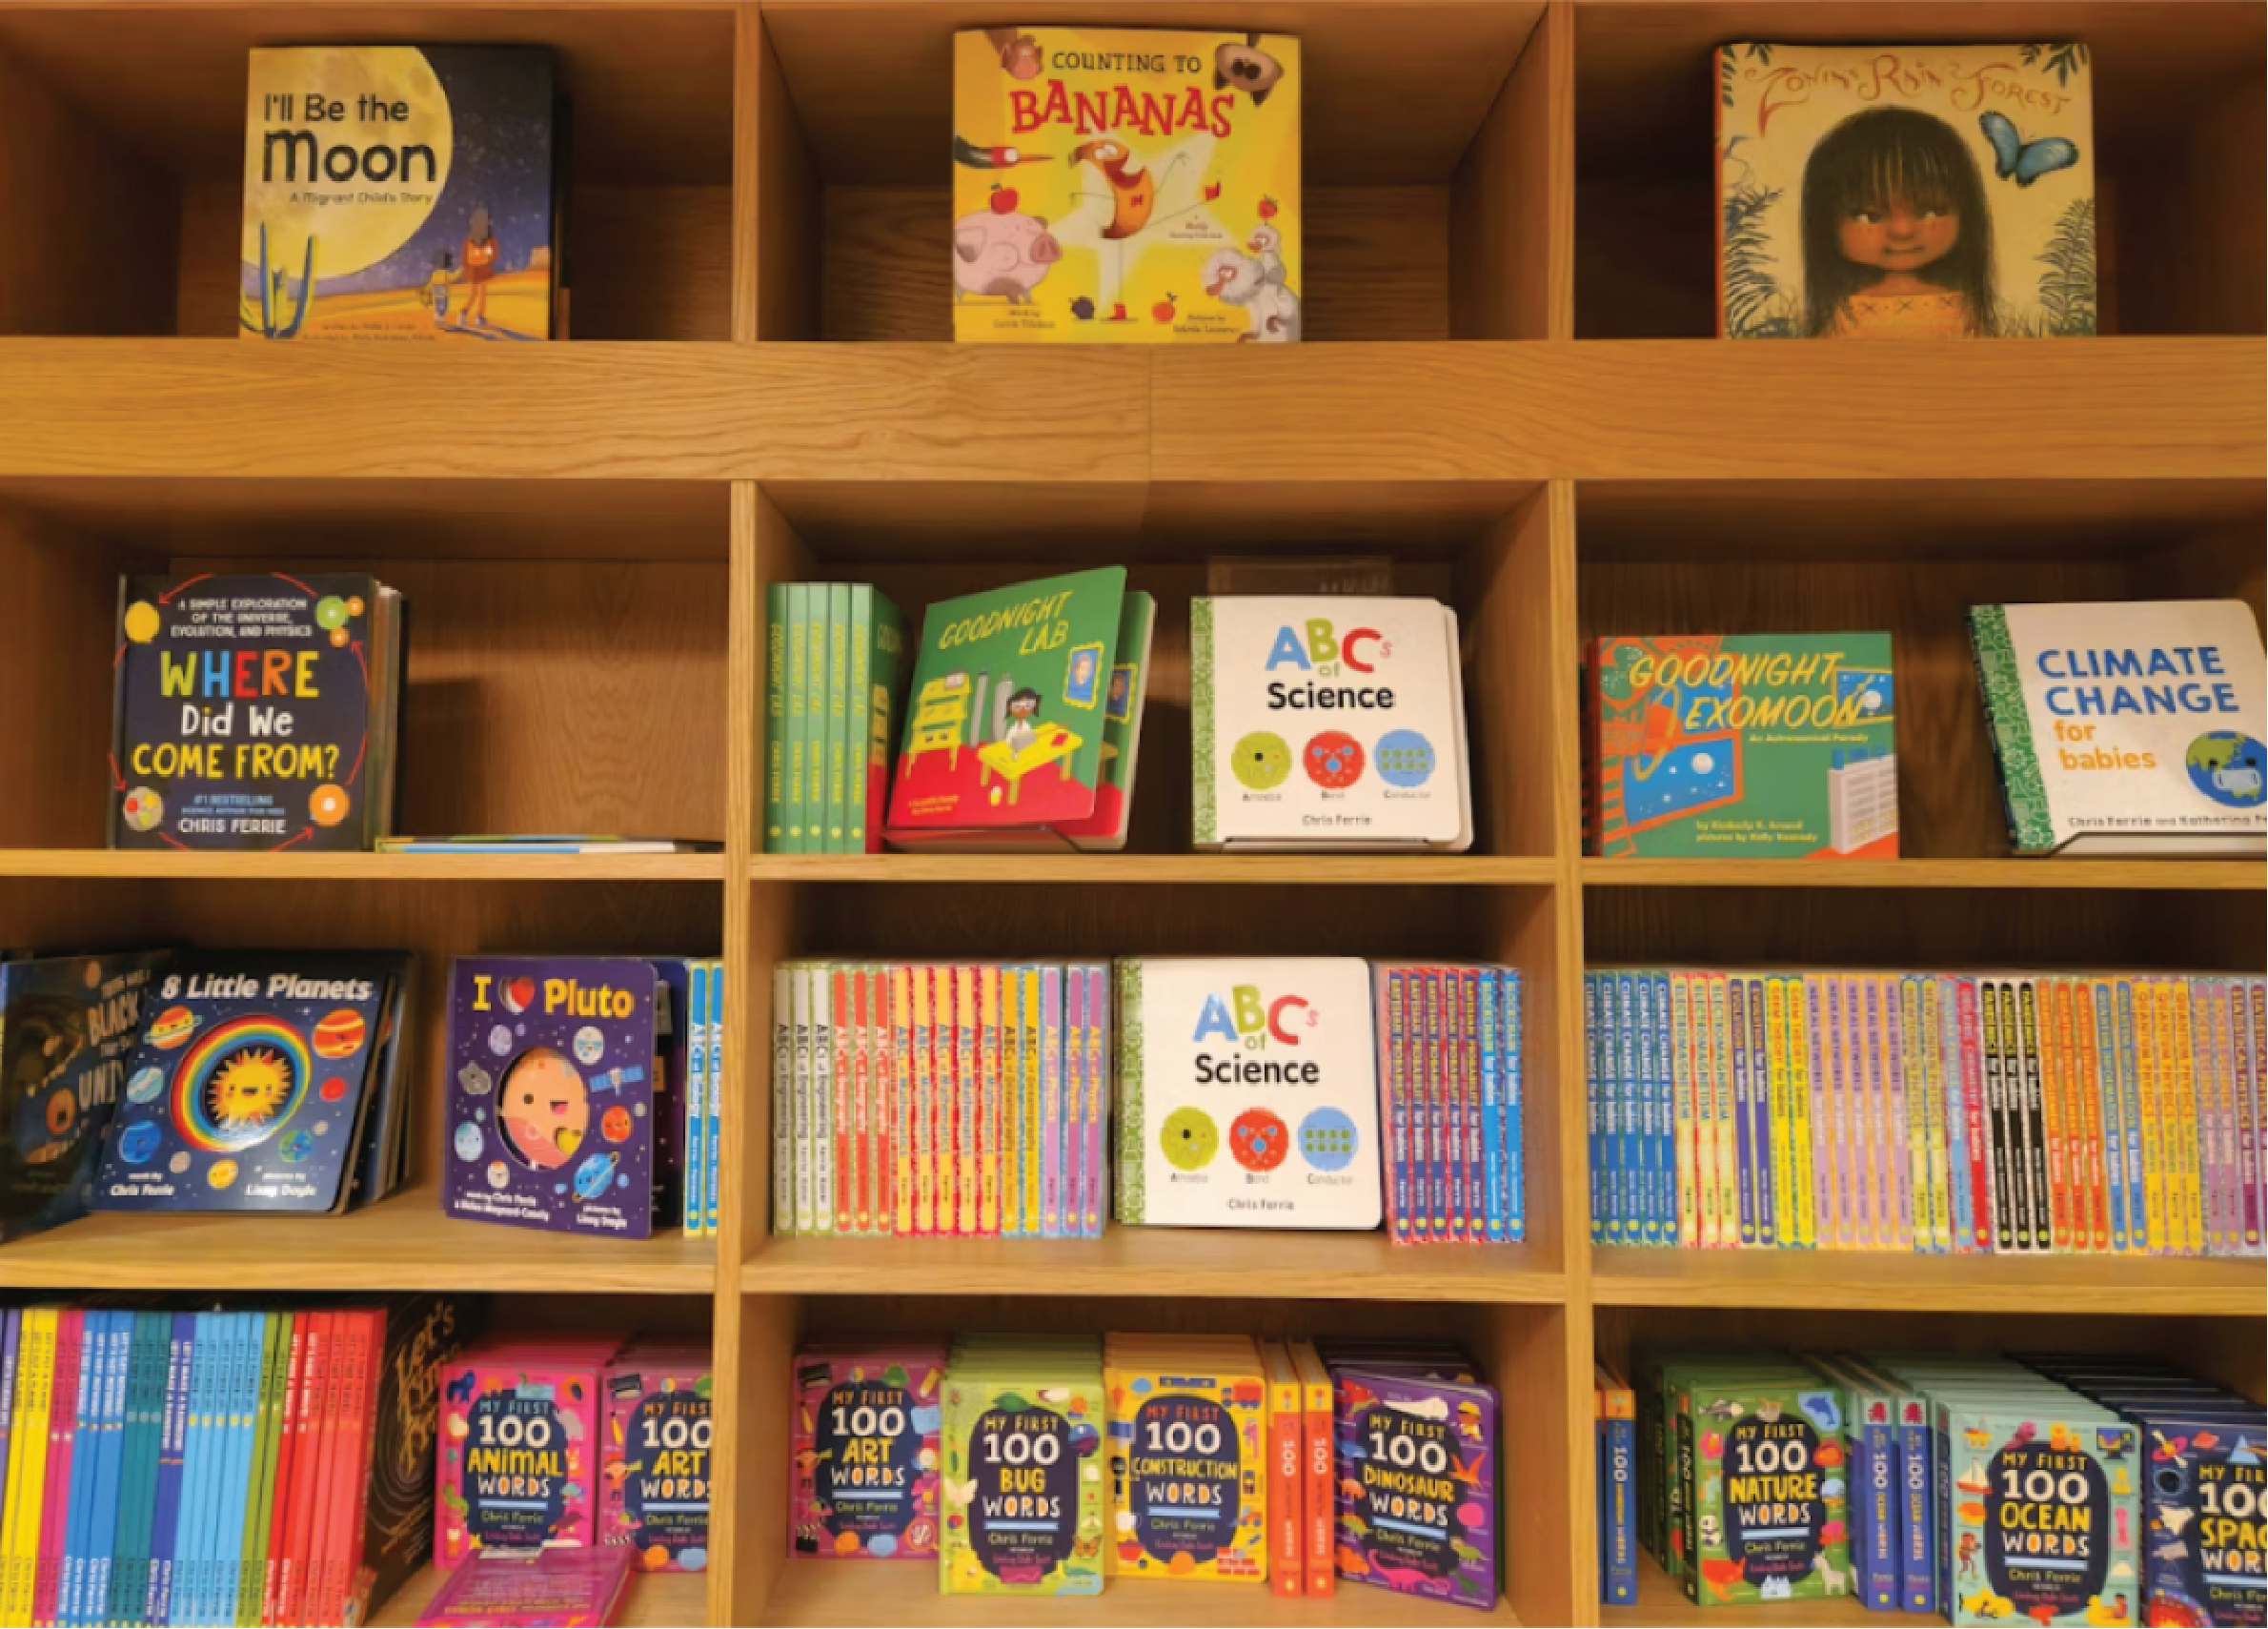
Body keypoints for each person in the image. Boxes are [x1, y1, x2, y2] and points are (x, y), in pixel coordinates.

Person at [1800, 107, 1996, 337]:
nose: (1902, 231)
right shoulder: (1844, 313)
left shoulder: (1961, 309)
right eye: (1870, 216)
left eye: (1931, 212)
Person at [460, 204, 499, 329]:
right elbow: (493, 253)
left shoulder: (470, 237)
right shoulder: (488, 237)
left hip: (473, 268)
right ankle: (478, 316)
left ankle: (464, 314)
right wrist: (488, 257)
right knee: (480, 294)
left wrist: (465, 267)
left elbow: (464, 254)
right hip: (480, 268)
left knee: (474, 294)